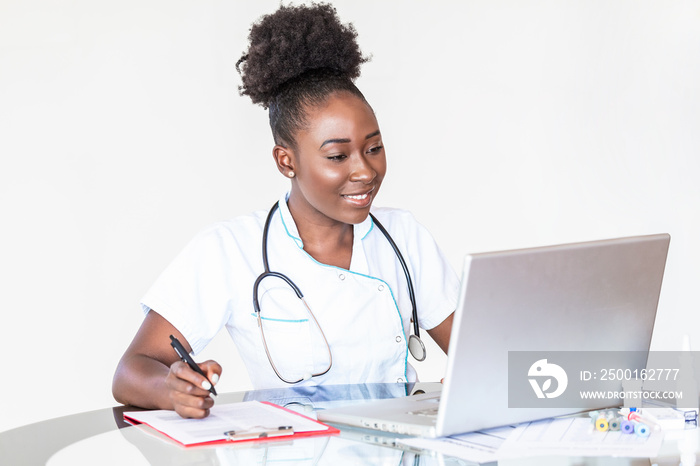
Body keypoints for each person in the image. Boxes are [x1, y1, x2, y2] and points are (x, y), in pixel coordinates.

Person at [112, 3, 460, 419]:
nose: (365, 171)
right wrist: (171, 390)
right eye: (337, 156)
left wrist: (475, 378)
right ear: (286, 161)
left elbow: (479, 354)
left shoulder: (404, 237)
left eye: (374, 148)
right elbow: (131, 371)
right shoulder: (230, 249)